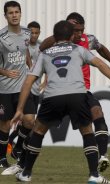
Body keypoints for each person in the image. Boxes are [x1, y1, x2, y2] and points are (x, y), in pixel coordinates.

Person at [11, 20, 110, 183]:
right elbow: (100, 64)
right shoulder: (79, 49)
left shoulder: (45, 54)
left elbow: (28, 82)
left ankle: (26, 173)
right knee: (87, 132)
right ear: (72, 35)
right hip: (77, 95)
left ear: (55, 36)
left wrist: (19, 109)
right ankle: (94, 175)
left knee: (38, 132)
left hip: (52, 96)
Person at [39, 12, 110, 172]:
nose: (79, 33)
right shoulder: (58, 42)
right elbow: (42, 47)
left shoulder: (88, 40)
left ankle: (103, 156)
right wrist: (59, 35)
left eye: (82, 29)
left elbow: (101, 48)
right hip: (58, 91)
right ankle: (23, 165)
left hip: (81, 91)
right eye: (75, 30)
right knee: (38, 128)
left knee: (97, 112)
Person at [0, 1, 35, 169]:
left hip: (22, 87)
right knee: (5, 125)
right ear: (5, 16)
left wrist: (30, 65)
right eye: (10, 13)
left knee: (29, 121)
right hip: (5, 88)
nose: (14, 15)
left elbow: (25, 49)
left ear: (20, 14)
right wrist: (5, 72)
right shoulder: (1, 37)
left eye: (16, 12)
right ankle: (1, 159)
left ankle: (18, 146)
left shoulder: (27, 34)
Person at [7, 21, 44, 162]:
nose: (34, 35)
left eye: (36, 32)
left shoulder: (42, 46)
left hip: (36, 89)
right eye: (31, 32)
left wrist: (46, 82)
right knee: (30, 122)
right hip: (23, 88)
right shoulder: (21, 45)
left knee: (27, 124)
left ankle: (14, 144)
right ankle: (18, 148)